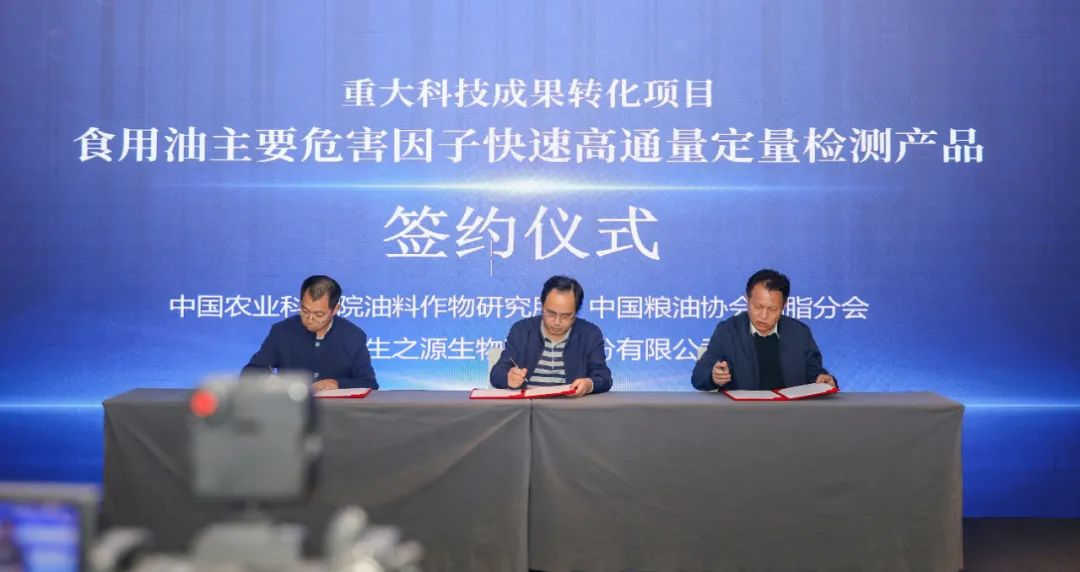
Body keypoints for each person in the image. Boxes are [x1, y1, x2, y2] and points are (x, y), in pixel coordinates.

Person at [692, 269, 836, 391]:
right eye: (758, 307)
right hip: (742, 413)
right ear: (747, 299)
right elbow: (698, 377)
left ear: (784, 305)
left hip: (790, 412)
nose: (764, 316)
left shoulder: (799, 333)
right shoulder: (728, 331)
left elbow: (814, 373)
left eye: (773, 309)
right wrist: (714, 377)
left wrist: (824, 380)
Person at [242, 275, 377, 390]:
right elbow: (251, 372)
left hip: (337, 411)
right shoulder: (282, 331)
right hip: (292, 409)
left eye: (319, 314)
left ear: (335, 309)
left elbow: (369, 383)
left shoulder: (353, 336)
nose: (310, 319)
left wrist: (339, 384)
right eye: (305, 311)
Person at [490, 275, 612, 397]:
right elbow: (497, 373)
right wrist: (508, 377)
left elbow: (604, 377)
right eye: (551, 314)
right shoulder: (522, 331)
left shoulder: (589, 334)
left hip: (570, 406)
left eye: (565, 316)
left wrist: (588, 384)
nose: (557, 322)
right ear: (542, 306)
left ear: (576, 312)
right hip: (528, 406)